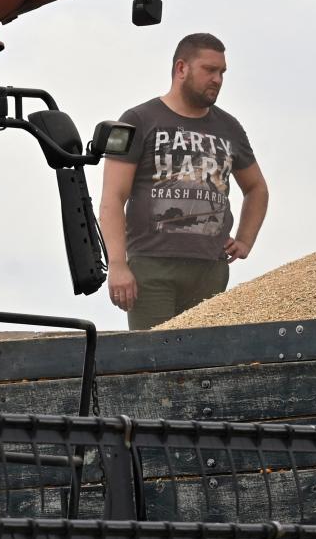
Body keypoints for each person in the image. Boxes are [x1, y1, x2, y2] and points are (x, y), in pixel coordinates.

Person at [100, 33, 269, 329]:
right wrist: (117, 264)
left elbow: (257, 188)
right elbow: (113, 198)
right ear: (181, 69)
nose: (217, 79)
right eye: (209, 70)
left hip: (211, 269)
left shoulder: (229, 127)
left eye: (222, 72)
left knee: (203, 361)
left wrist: (245, 240)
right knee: (154, 359)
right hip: (152, 266)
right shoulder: (138, 119)